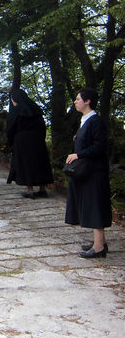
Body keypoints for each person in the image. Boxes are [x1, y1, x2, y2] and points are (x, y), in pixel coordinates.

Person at [64, 87, 112, 259]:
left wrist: (78, 154)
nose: (75, 101)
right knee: (91, 205)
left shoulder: (95, 121)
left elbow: (100, 147)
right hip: (87, 171)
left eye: (78, 99)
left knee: (95, 206)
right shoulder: (85, 119)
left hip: (95, 171)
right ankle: (100, 242)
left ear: (87, 101)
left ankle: (98, 248)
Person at [6, 88, 53, 199]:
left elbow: (10, 128)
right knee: (40, 163)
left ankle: (30, 190)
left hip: (22, 141)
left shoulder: (16, 110)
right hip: (37, 141)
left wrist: (11, 141)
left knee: (26, 164)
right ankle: (42, 189)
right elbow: (43, 126)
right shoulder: (35, 108)